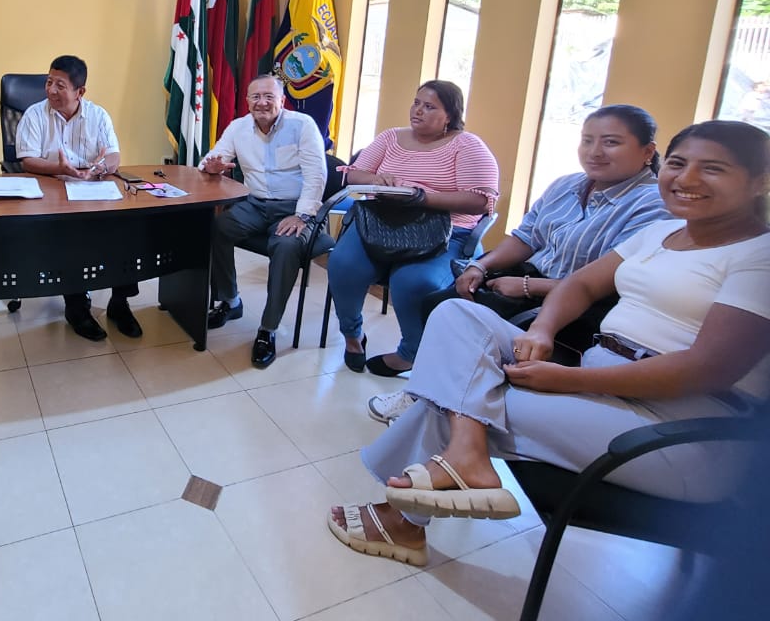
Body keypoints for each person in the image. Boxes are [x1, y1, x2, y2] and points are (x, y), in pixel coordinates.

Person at [327, 120, 770, 569]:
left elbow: (707, 369)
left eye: (712, 169)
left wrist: (568, 380)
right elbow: (580, 284)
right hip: (603, 386)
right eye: (678, 163)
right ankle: (462, 460)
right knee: (457, 315)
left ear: (761, 181)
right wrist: (541, 331)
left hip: (680, 431)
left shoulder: (760, 257)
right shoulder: (661, 234)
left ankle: (407, 515)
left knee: (457, 399)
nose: (687, 178)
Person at [370, 104, 672, 424]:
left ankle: (444, 404)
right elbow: (526, 238)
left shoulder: (653, 204)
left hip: (580, 303)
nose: (595, 151)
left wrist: (527, 286)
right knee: (439, 302)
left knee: (470, 322)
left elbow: (615, 280)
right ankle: (432, 392)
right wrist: (481, 266)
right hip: (528, 277)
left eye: (611, 142)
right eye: (587, 140)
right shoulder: (567, 185)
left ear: (647, 151)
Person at [327, 80, 499, 375]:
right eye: (416, 103)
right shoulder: (390, 137)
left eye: (429, 107)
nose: (418, 111)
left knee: (412, 281)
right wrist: (376, 180)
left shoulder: (468, 145)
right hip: (381, 225)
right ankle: (352, 336)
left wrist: (422, 198)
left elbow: (481, 200)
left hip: (445, 232)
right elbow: (354, 175)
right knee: (343, 264)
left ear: (450, 115)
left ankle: (409, 353)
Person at [201, 74, 332, 367]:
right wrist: (212, 167)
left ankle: (268, 328)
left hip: (296, 208)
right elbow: (211, 161)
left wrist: (302, 215)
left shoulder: (302, 125)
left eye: (269, 96)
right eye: (256, 97)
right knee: (216, 228)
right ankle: (230, 301)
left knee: (286, 246)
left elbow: (316, 175)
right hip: (254, 204)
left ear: (282, 101)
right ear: (247, 101)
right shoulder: (238, 127)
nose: (262, 103)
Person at [14, 54, 141, 340]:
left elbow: (114, 156)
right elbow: (27, 161)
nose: (51, 90)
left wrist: (101, 167)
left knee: (128, 228)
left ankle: (120, 303)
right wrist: (59, 169)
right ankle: (76, 306)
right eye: (49, 82)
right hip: (53, 192)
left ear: (80, 91)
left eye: (60, 85)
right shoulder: (34, 115)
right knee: (71, 234)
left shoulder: (98, 116)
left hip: (93, 190)